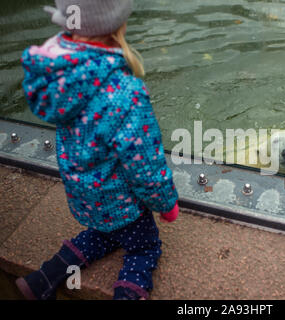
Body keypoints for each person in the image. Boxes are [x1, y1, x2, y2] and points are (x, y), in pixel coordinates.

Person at [15, 0, 179, 300]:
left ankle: (43, 279)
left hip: (83, 197)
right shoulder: (124, 93)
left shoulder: (58, 77)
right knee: (143, 247)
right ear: (118, 25)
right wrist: (166, 203)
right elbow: (145, 166)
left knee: (102, 233)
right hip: (124, 204)